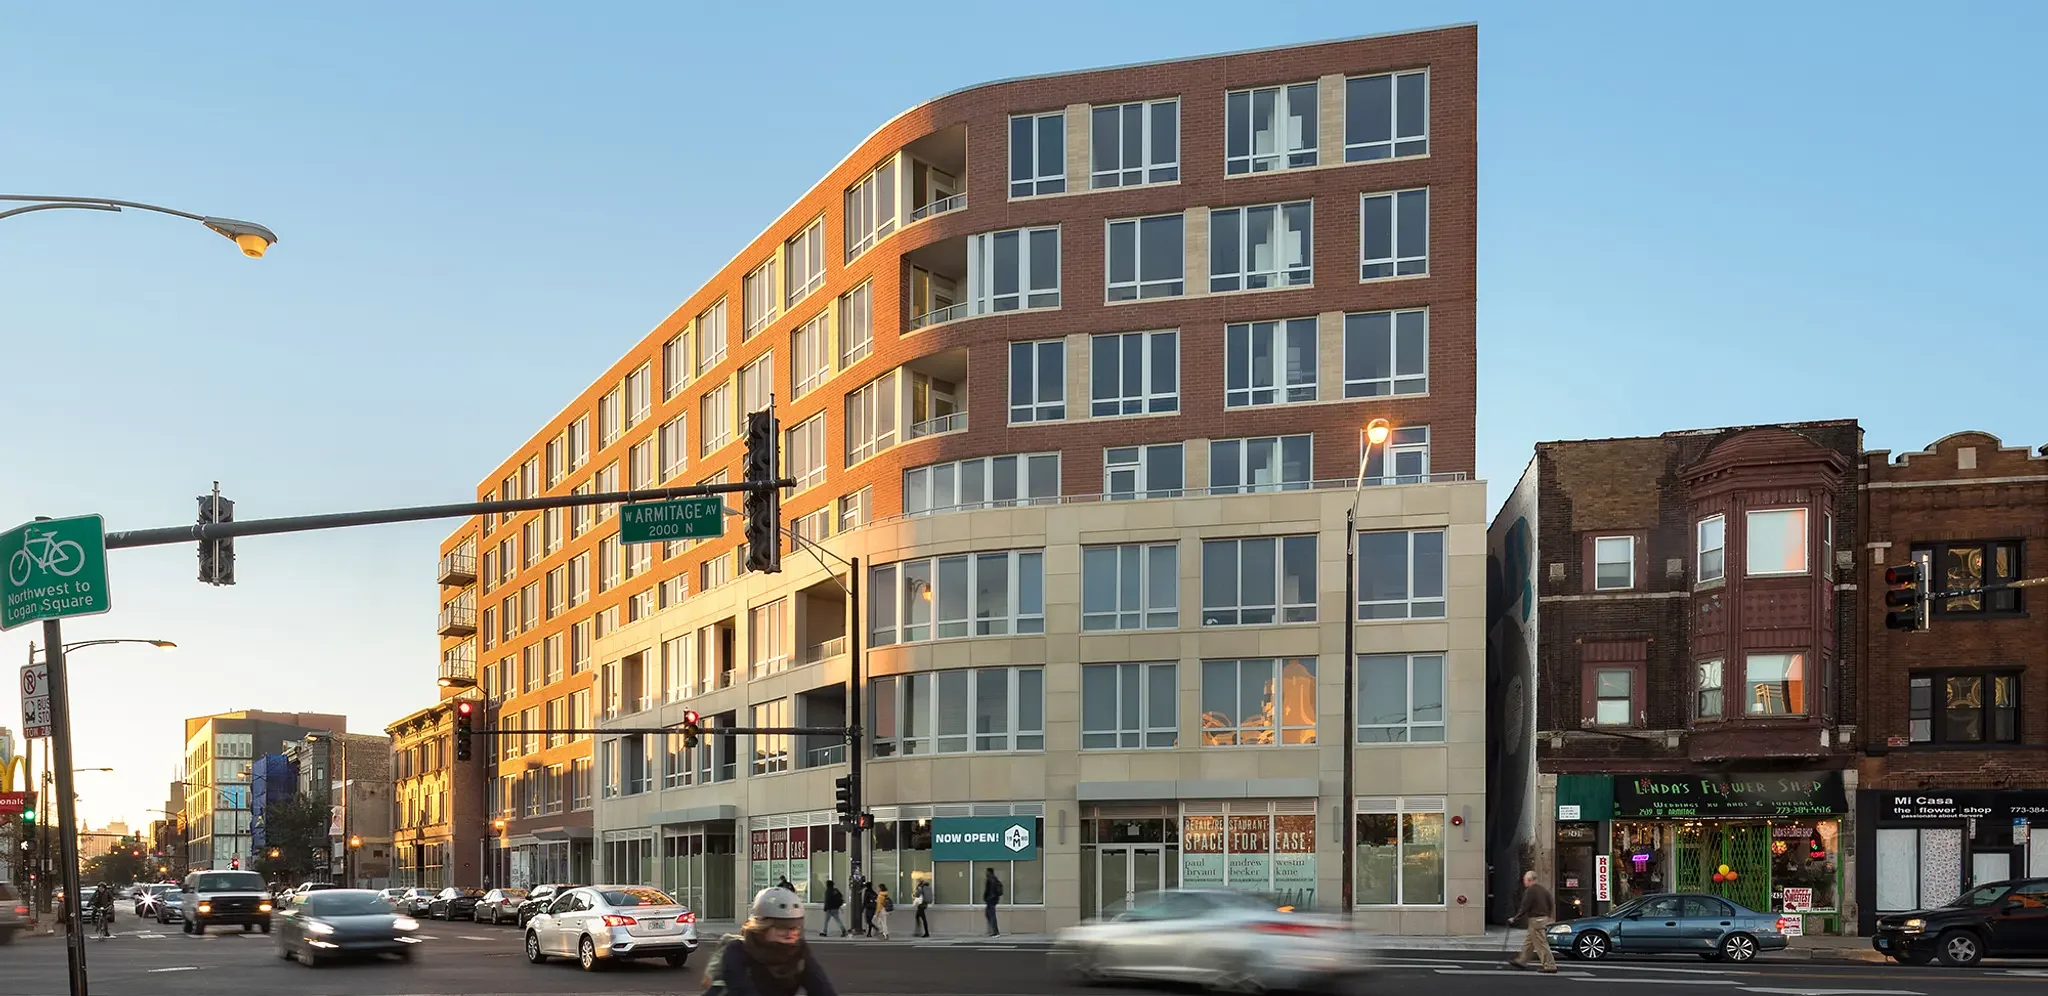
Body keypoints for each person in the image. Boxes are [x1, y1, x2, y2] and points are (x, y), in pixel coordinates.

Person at [705, 887, 839, 996]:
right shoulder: (738, 950)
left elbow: (822, 988)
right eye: (782, 927)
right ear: (762, 927)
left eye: (795, 928)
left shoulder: (799, 952)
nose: (790, 933)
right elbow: (742, 990)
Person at [1509, 870, 1558, 973]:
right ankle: (1522, 960)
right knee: (1529, 941)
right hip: (1542, 918)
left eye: (1525, 880)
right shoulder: (1543, 890)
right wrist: (1548, 916)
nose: (1524, 882)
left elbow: (1524, 907)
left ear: (1530, 880)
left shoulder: (1531, 891)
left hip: (1536, 919)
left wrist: (1515, 918)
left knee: (1541, 943)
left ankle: (1550, 965)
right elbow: (1551, 903)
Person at [982, 868, 1003, 936]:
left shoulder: (991, 880)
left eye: (987, 872)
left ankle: (995, 932)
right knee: (988, 914)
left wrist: (986, 897)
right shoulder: (994, 879)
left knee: (991, 915)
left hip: (991, 900)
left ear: (990, 872)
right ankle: (993, 931)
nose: (986, 873)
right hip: (992, 900)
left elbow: (989, 891)